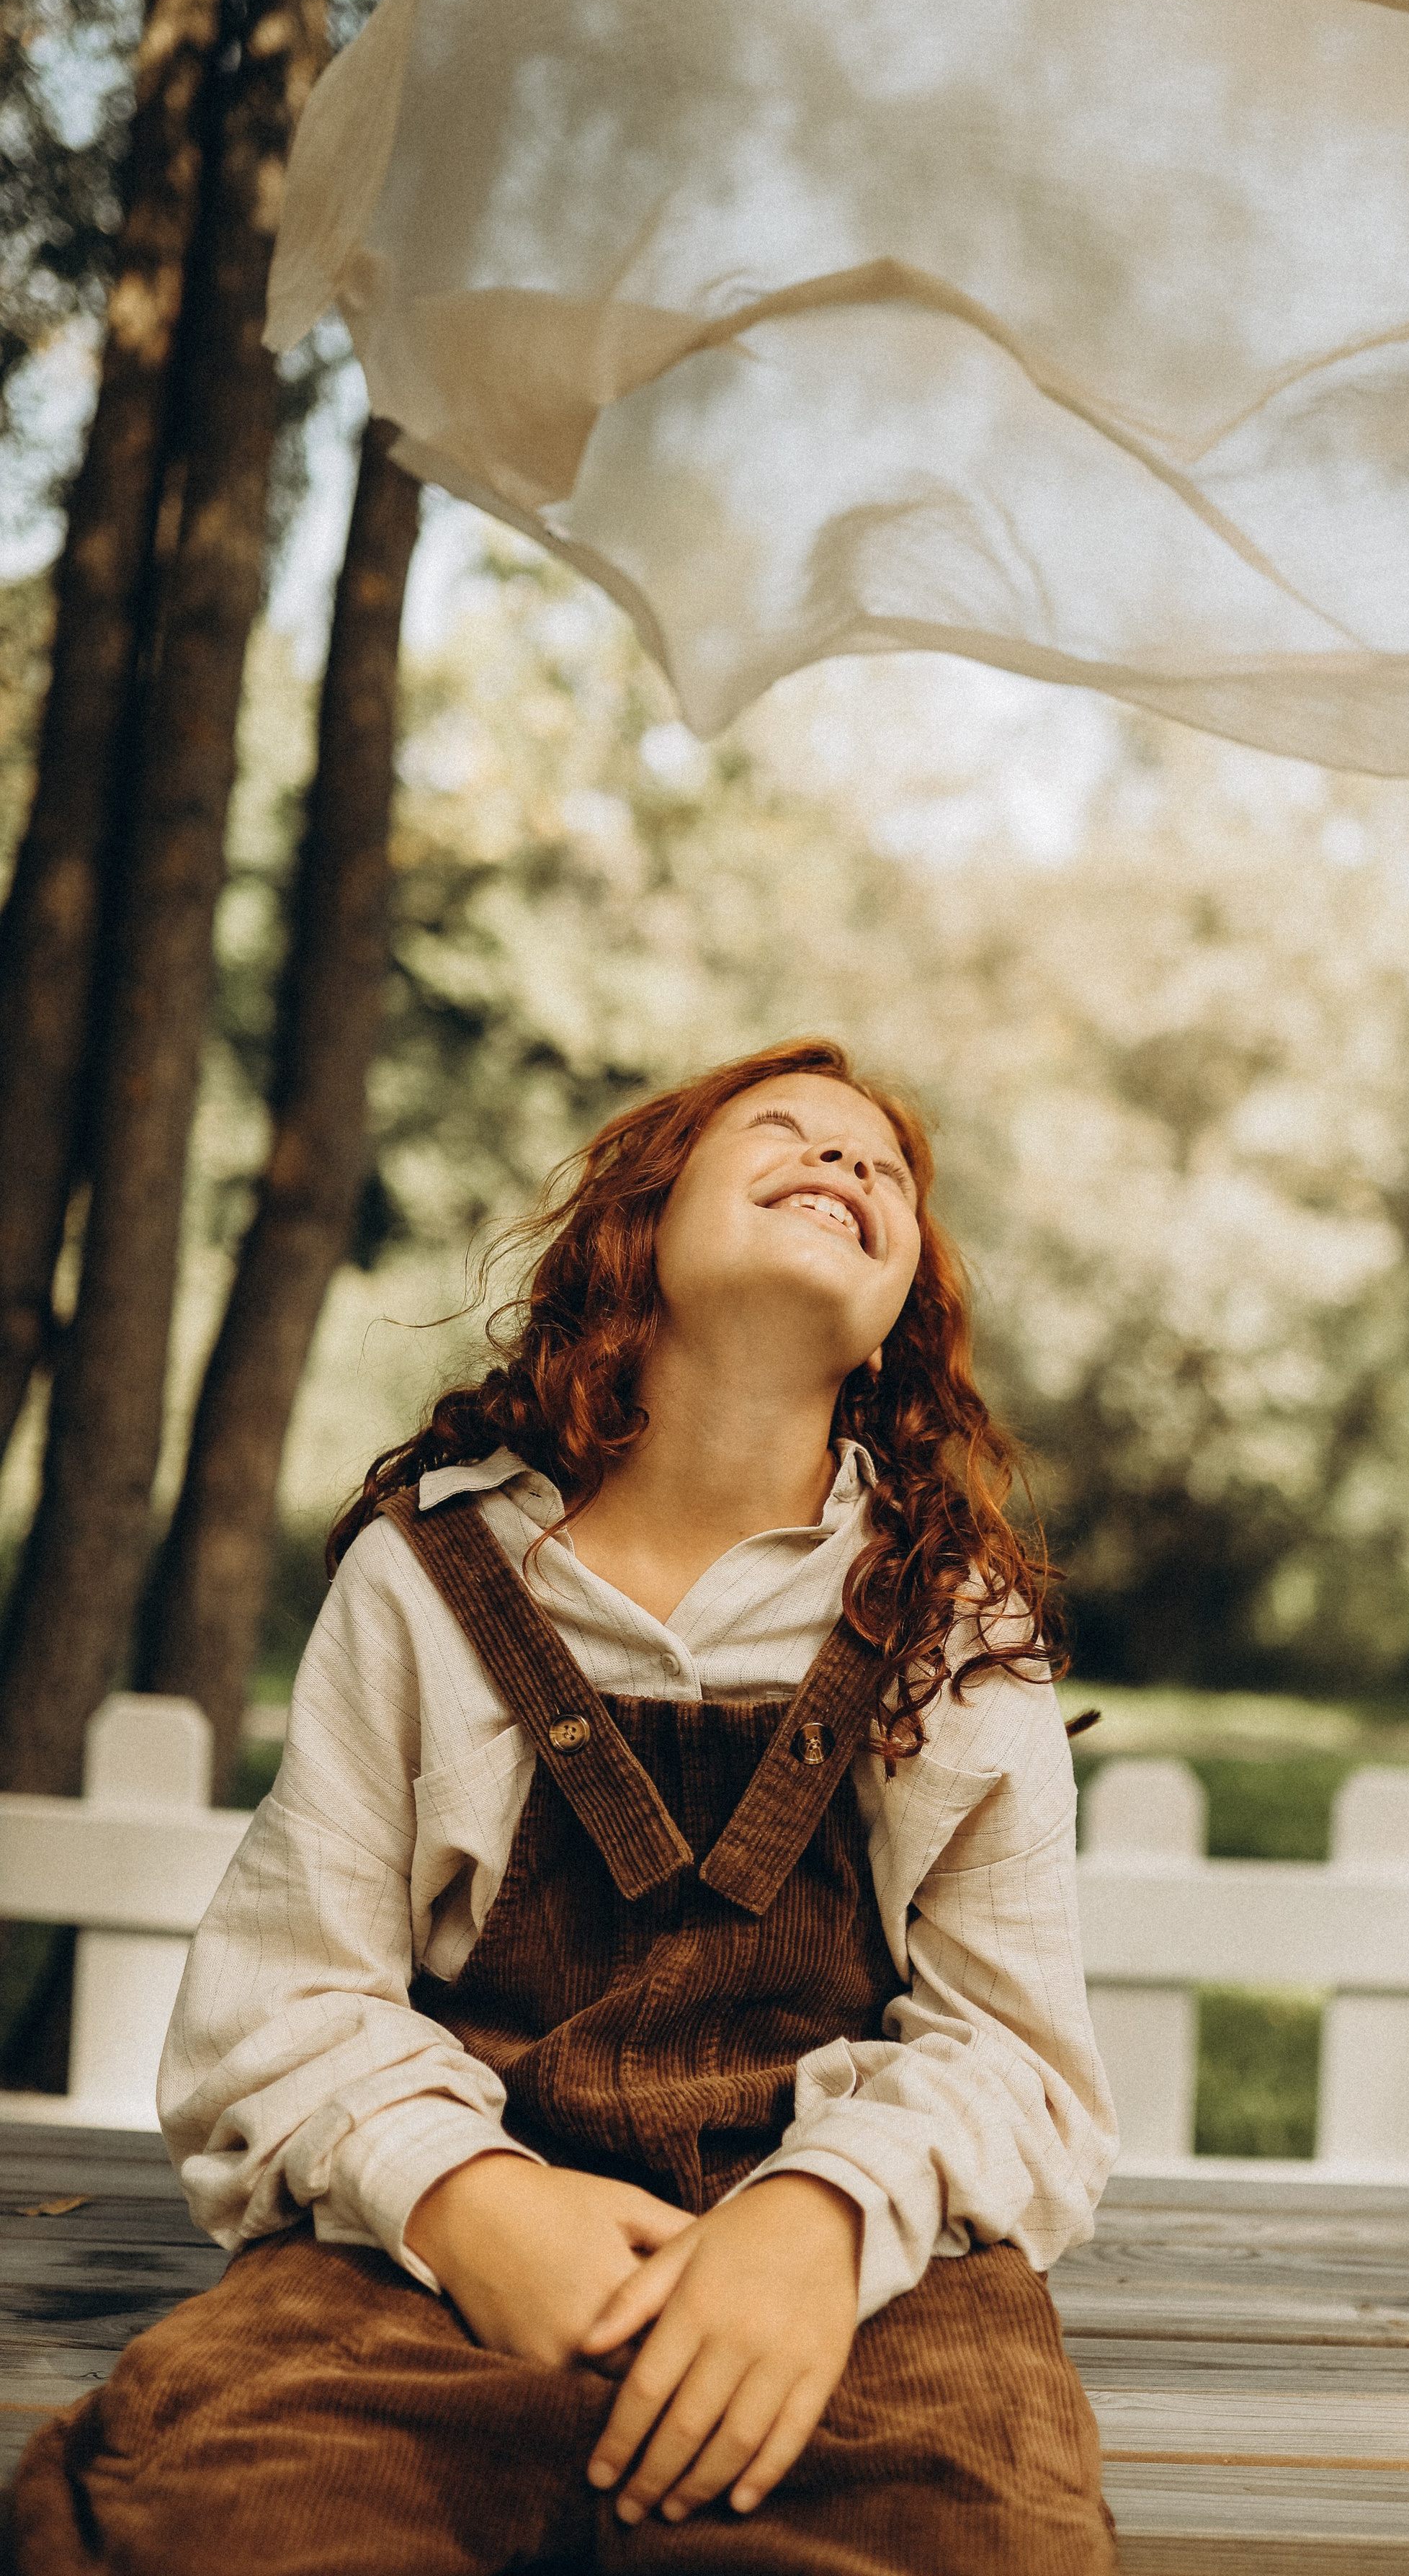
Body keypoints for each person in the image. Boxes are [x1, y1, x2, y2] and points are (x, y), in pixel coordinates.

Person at [9, 1038, 1119, 2575]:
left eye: (883, 1170)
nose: (847, 1164)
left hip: (857, 2285)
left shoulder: (953, 1621)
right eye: (787, 1133)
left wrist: (820, 2222)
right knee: (219, 2518)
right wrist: (465, 2201)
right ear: (634, 1230)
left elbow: (1014, 2051)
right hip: (438, 2255)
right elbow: (285, 1994)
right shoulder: (427, 1581)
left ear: (896, 1321)